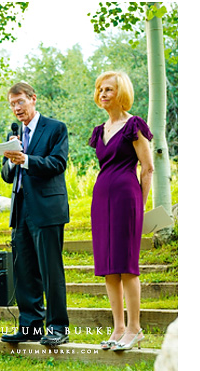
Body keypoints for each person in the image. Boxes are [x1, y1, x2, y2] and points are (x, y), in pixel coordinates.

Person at [0, 82, 70, 346]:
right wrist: (10, 157)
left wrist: (26, 160)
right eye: (12, 104)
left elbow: (57, 163)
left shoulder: (55, 128)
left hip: (47, 209)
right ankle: (29, 327)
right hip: (20, 210)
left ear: (33, 99)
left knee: (50, 271)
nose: (16, 108)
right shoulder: (12, 135)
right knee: (24, 271)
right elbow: (7, 176)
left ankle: (57, 327)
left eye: (20, 102)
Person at [89, 71, 152, 351]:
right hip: (101, 199)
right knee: (108, 269)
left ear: (121, 92)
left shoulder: (133, 125)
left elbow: (147, 168)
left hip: (127, 198)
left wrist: (140, 203)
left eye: (109, 89)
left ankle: (135, 329)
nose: (103, 93)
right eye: (101, 89)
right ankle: (118, 329)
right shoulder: (100, 130)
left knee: (126, 266)